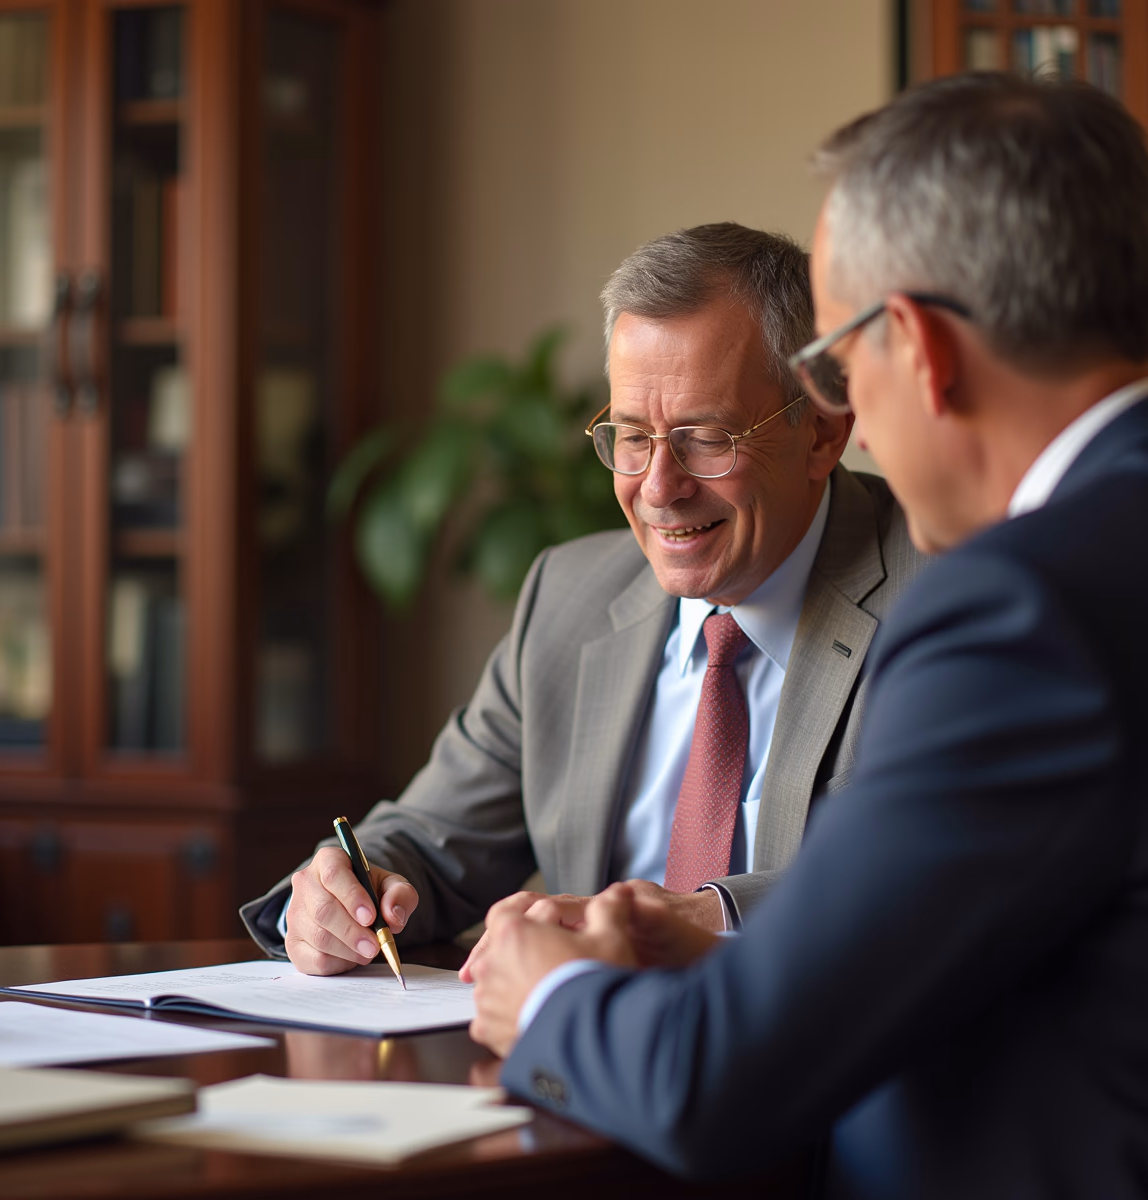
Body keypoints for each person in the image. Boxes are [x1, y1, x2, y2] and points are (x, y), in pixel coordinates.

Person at [468, 74, 1148, 1199]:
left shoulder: (1021, 608)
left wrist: (547, 993)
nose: (847, 413)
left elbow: (713, 1083)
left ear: (919, 347)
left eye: (838, 361)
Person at [241, 224, 923, 976]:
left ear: (823, 435)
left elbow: (933, 871)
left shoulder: (939, 591)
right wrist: (343, 892)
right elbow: (431, 838)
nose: (659, 488)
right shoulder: (567, 597)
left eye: (706, 437)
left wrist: (706, 916)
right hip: (575, 1072)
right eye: (632, 437)